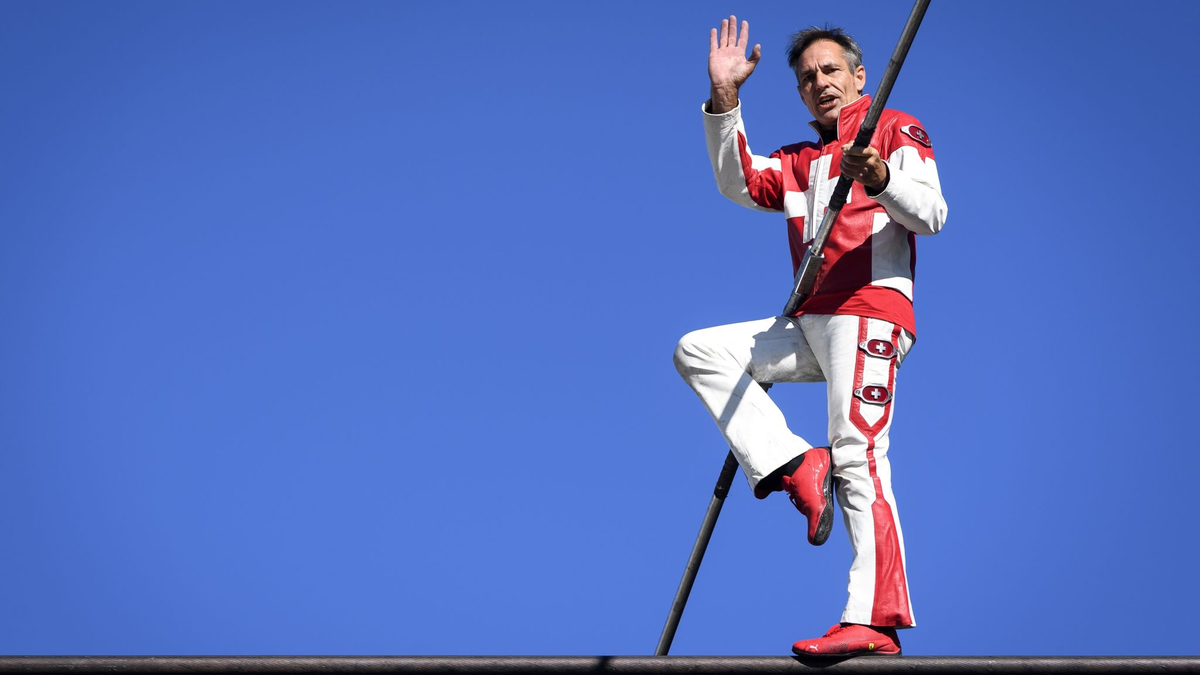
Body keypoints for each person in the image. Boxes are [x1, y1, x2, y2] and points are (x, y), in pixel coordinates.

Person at [673, 16, 947, 657]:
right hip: (810, 321)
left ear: (858, 76)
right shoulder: (799, 162)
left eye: (830, 71)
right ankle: (797, 464)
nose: (819, 83)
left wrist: (878, 176)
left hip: (869, 313)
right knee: (699, 350)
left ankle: (875, 621)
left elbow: (932, 214)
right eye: (806, 79)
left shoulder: (894, 126)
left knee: (861, 457)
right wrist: (725, 99)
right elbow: (739, 180)